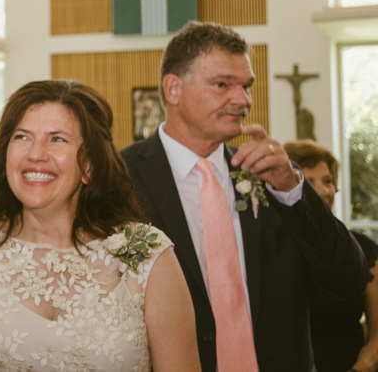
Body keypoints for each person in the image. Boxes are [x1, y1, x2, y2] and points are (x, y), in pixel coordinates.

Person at [120, 22, 368, 372]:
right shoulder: (120, 179)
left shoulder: (273, 176)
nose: (243, 101)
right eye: (223, 85)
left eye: (246, 87)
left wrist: (291, 190)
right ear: (173, 89)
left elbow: (349, 280)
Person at [0, 80, 199, 371]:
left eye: (57, 139)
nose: (36, 154)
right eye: (22, 137)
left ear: (90, 165)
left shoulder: (146, 255)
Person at [284, 140, 378, 372]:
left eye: (328, 181)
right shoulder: (274, 249)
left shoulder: (363, 248)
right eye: (309, 182)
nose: (324, 191)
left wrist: (360, 368)